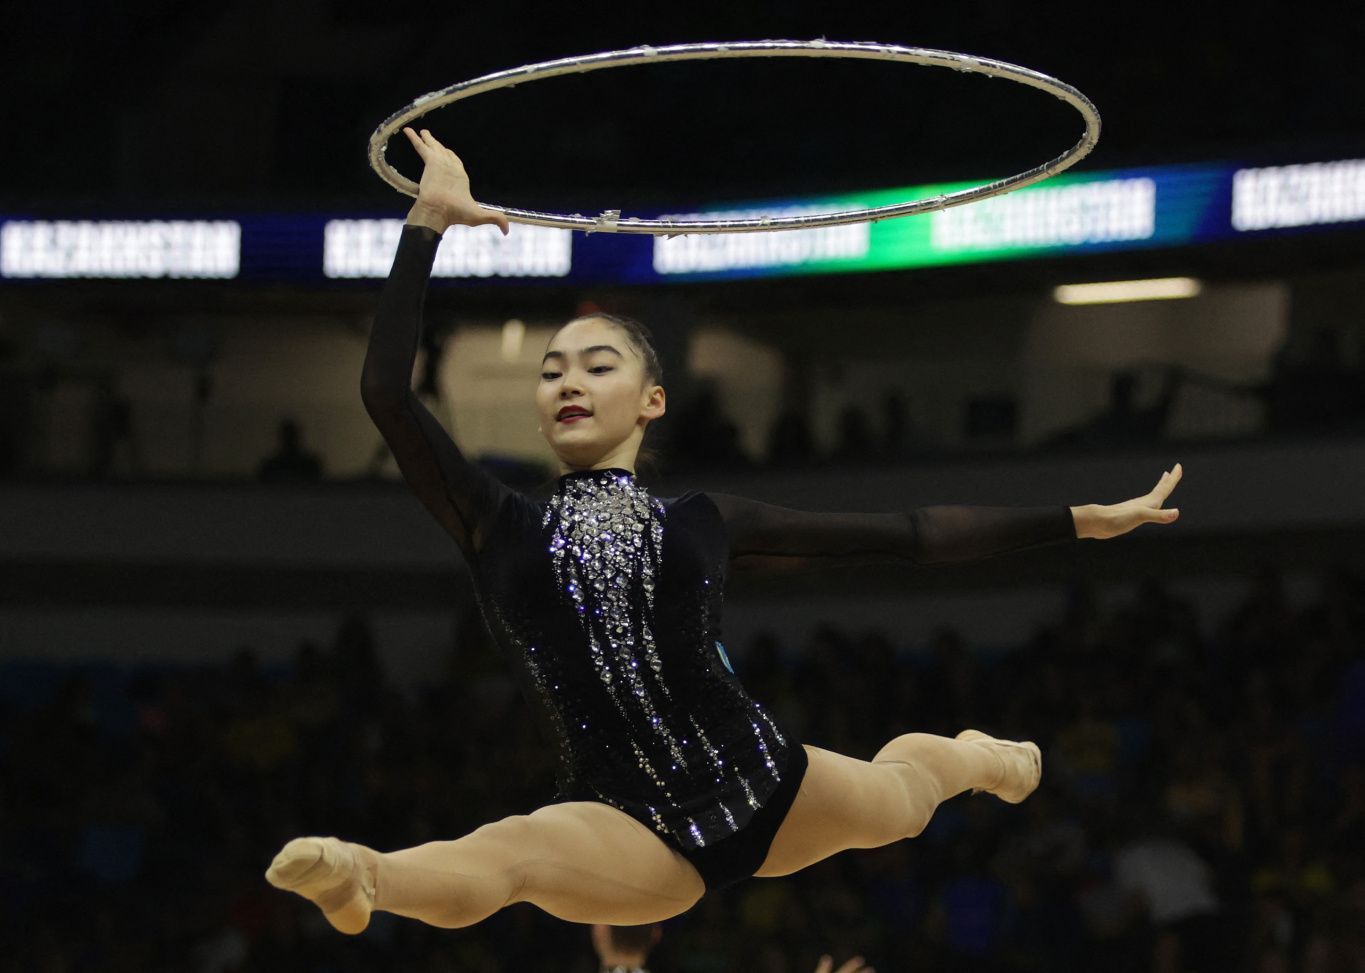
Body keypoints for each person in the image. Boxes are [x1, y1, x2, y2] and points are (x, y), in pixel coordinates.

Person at [265, 127, 1185, 936]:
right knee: (513, 853)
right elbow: (385, 393)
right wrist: (427, 223)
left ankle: (980, 756)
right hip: (627, 823)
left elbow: (908, 533)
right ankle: (367, 876)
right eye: (551, 372)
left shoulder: (702, 522)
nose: (569, 380)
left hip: (768, 783)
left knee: (905, 800)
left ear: (652, 400)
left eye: (597, 362)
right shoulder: (498, 525)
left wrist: (1074, 519)